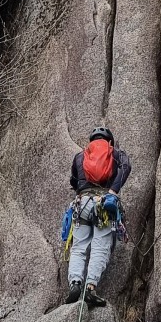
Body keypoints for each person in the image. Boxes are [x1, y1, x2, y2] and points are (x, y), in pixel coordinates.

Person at [62, 126, 132, 308]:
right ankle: (90, 287)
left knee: (78, 247)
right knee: (100, 247)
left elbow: (73, 180)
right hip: (104, 204)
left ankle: (75, 284)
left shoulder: (80, 156)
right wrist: (113, 190)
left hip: (82, 204)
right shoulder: (116, 154)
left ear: (91, 141)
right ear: (109, 141)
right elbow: (126, 167)